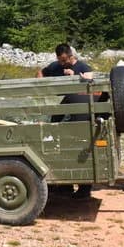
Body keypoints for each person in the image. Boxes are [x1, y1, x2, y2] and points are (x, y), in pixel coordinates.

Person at [38, 43, 95, 199]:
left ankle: (84, 188)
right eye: (60, 60)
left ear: (71, 55)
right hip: (60, 113)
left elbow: (93, 87)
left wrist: (75, 78)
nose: (62, 63)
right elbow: (41, 73)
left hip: (79, 115)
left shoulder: (84, 67)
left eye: (64, 60)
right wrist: (42, 89)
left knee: (81, 149)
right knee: (60, 148)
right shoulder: (55, 66)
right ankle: (64, 185)